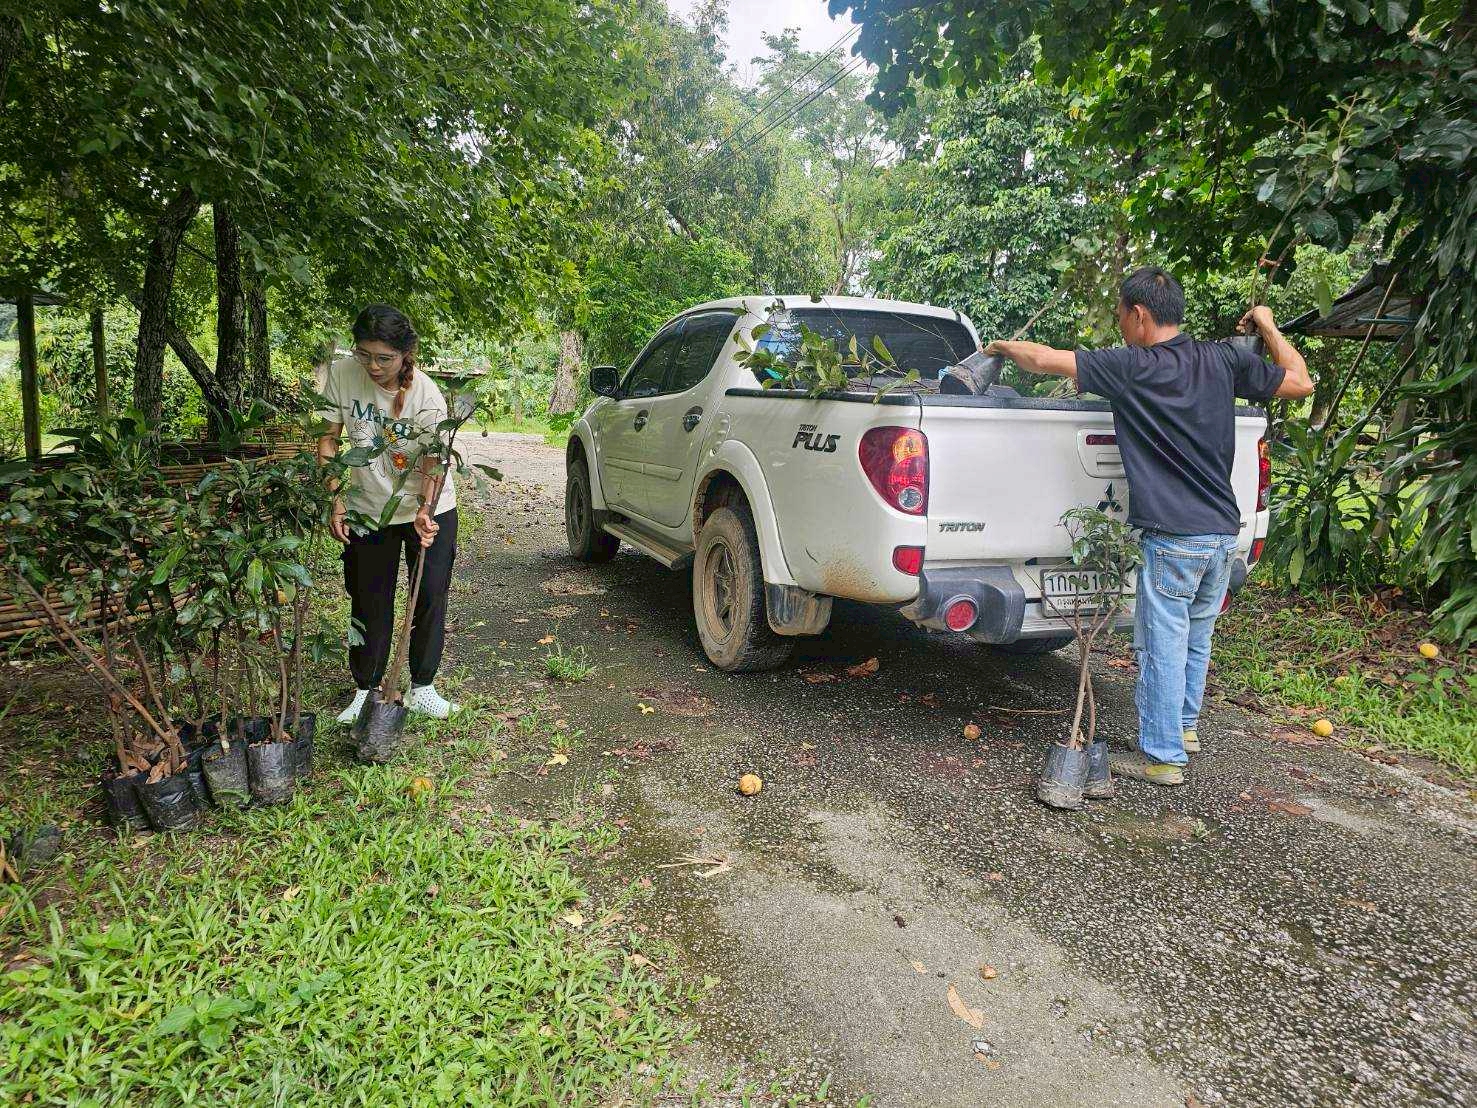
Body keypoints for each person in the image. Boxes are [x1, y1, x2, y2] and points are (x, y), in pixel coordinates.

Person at [985, 268, 1313, 785]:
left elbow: (1044, 359)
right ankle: (1183, 730)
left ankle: (1162, 758)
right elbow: (1300, 381)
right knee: (1195, 638)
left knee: (1162, 646)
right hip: (1222, 534)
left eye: (1121, 315)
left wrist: (1001, 347)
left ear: (1139, 315)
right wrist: (1268, 325)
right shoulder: (1222, 359)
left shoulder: (1132, 367)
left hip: (1174, 537)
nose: (1120, 326)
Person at [316, 304, 460, 722]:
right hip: (367, 508)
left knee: (429, 594)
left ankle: (423, 687)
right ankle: (365, 690)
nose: (373, 366)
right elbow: (328, 441)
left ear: (405, 354)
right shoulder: (343, 374)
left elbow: (434, 460)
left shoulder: (426, 395)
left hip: (427, 506)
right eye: (364, 354)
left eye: (384, 358)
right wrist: (336, 498)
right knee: (368, 598)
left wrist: (425, 509)